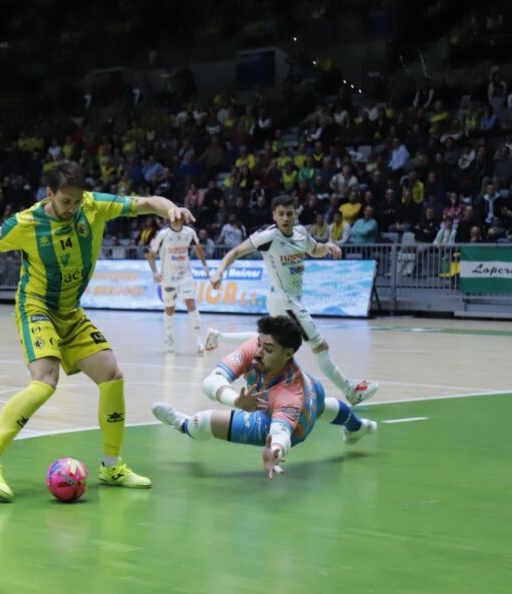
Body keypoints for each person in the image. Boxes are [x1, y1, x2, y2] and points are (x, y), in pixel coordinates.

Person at [0, 160, 194, 500]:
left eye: (77, 202)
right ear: (49, 194)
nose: (73, 209)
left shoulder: (92, 205)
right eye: (66, 202)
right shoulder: (26, 223)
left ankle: (111, 466)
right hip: (36, 308)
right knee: (46, 382)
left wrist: (172, 210)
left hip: (70, 312)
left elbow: (149, 202)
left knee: (111, 374)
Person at [152, 315, 377, 480]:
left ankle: (183, 424)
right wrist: (236, 401)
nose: (258, 352)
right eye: (259, 344)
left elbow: (281, 433)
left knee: (201, 422)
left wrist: (274, 451)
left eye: (268, 349)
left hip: (293, 423)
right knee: (325, 406)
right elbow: (211, 381)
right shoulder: (254, 348)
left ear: (289, 354)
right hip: (313, 392)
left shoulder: (289, 394)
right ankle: (358, 427)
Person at [204, 195, 379, 405]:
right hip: (285, 301)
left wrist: (328, 246)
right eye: (281, 214)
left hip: (282, 300)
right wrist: (219, 272)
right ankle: (350, 392)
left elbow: (314, 250)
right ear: (274, 216)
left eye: (289, 213)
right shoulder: (268, 236)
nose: (285, 218)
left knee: (267, 341)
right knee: (320, 346)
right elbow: (236, 251)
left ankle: (218, 337)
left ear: (295, 214)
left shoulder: (301, 232)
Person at [146, 216, 211, 354]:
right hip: (168, 277)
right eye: (173, 218)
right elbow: (150, 254)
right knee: (170, 309)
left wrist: (205, 266)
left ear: (182, 220)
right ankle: (169, 338)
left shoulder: (189, 232)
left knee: (191, 304)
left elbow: (198, 248)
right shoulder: (163, 235)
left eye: (178, 218)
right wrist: (155, 272)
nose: (175, 221)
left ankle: (200, 342)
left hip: (185, 275)